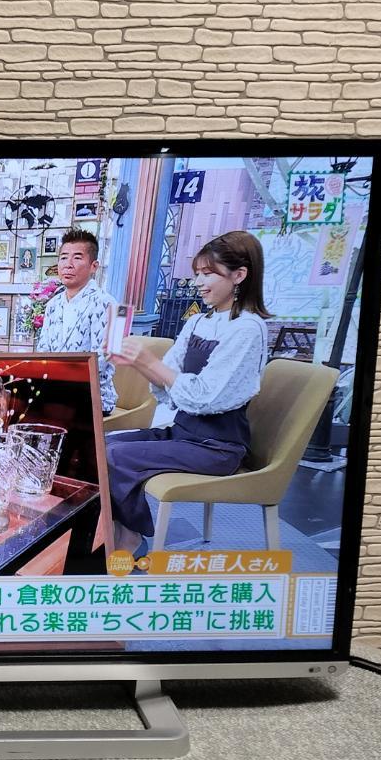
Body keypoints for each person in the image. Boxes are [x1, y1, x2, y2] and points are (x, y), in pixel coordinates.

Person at [104, 230, 272, 556]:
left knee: (115, 456)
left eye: (208, 273)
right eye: (197, 273)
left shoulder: (248, 329)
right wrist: (139, 363)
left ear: (239, 275)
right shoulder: (197, 323)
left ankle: (131, 536)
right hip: (182, 434)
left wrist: (150, 363)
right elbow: (169, 387)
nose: (198, 282)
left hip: (218, 447)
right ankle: (119, 530)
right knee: (103, 446)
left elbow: (205, 398)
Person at [35, 228, 117, 415]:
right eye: (64, 257)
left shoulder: (110, 304)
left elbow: (105, 360)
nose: (68, 265)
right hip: (54, 391)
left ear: (94, 266)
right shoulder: (53, 304)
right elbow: (43, 352)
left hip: (93, 396)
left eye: (77, 258)